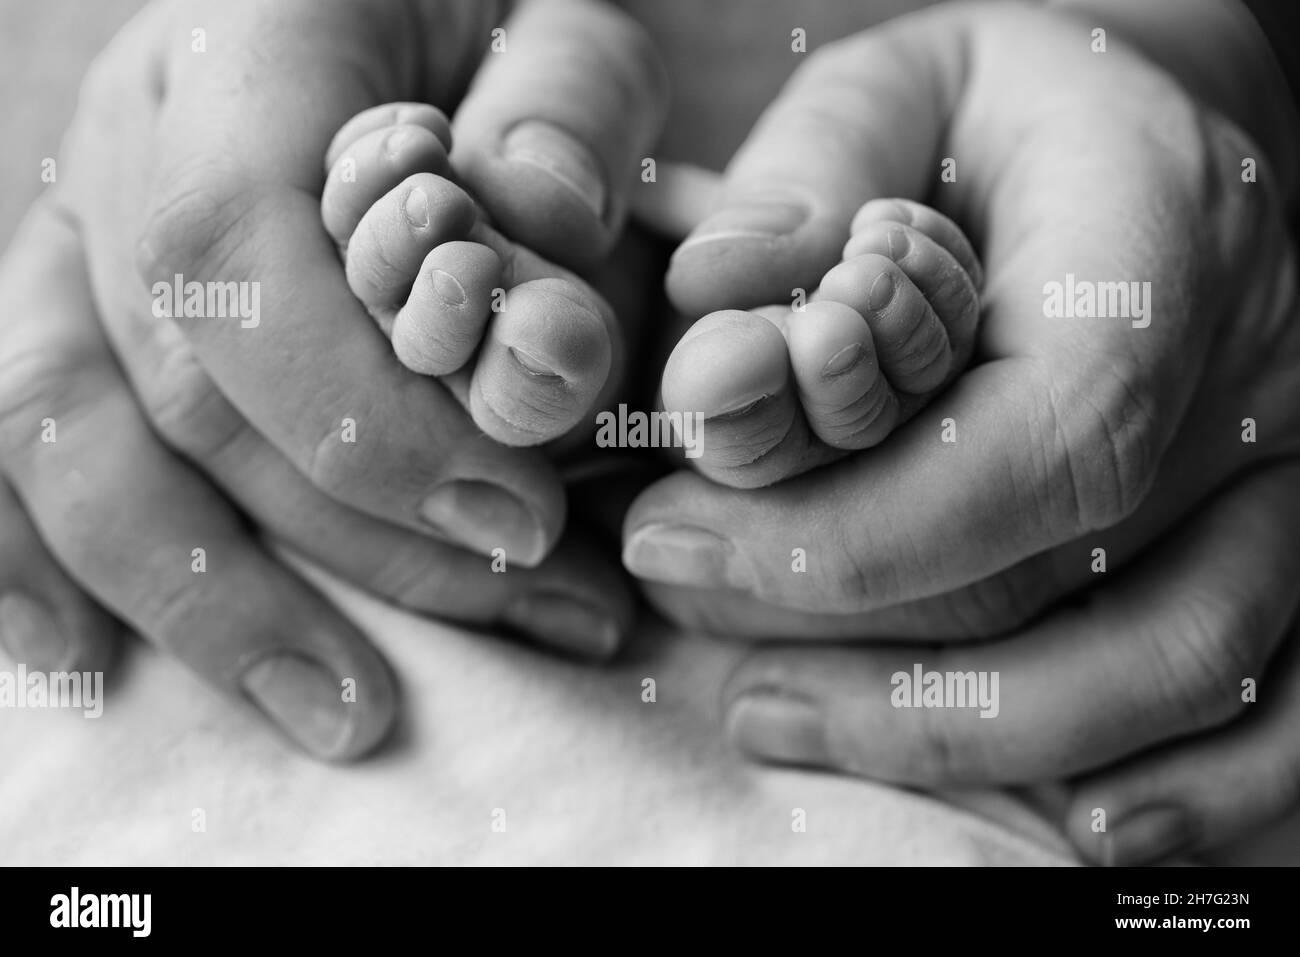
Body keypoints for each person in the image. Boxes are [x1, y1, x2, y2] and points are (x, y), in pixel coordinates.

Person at [1, 0, 1297, 865]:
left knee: (674, 278)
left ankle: (651, 336)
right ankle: (627, 332)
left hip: (1037, 466)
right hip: (180, 471)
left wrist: (1217, 74)